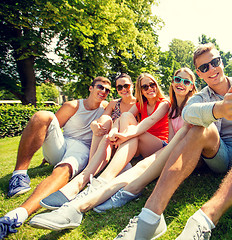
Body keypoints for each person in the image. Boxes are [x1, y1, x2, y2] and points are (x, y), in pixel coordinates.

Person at [113, 43, 232, 240]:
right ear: (199, 73)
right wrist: (219, 109)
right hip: (222, 154)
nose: (212, 69)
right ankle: (151, 215)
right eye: (205, 68)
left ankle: (205, 218)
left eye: (215, 62)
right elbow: (188, 113)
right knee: (198, 127)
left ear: (221, 61)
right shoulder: (201, 96)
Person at [28, 68, 198, 231]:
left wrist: (126, 135)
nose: (149, 88)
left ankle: (97, 179)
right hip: (148, 143)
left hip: (158, 145)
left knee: (132, 135)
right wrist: (115, 131)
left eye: (152, 84)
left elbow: (150, 124)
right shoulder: (159, 105)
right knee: (121, 120)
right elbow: (119, 118)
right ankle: (91, 177)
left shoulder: (166, 103)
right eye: (144, 86)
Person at [0, 76, 111, 238]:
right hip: (62, 145)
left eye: (107, 90)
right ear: (91, 88)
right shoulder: (72, 106)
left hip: (81, 150)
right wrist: (49, 153)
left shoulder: (106, 108)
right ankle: (19, 176)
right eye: (100, 87)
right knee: (42, 116)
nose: (103, 92)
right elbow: (50, 129)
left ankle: (18, 214)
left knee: (63, 169)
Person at [38, 73, 136, 209]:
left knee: (122, 119)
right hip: (113, 141)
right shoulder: (114, 104)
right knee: (105, 122)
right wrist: (95, 125)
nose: (123, 89)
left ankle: (88, 174)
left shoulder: (139, 102)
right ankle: (90, 171)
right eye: (119, 87)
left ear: (133, 86)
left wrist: (116, 130)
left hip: (130, 142)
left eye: (126, 85)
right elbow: (104, 117)